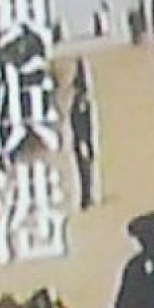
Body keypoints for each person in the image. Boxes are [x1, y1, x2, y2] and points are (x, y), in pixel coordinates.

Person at [68, 63, 99, 209]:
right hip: (81, 142)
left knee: (85, 171)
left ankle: (86, 196)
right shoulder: (80, 105)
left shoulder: (79, 105)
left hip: (81, 142)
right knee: (85, 171)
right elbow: (82, 125)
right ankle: (86, 197)